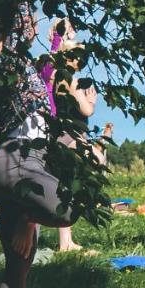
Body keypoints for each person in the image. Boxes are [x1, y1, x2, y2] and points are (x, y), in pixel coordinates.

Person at [0, 0, 76, 288]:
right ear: (14, 26)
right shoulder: (8, 62)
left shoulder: (20, 70)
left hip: (14, 167)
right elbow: (19, 31)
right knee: (68, 209)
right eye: (29, 19)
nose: (33, 23)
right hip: (20, 162)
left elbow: (48, 73)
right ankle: (26, 212)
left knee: (19, 262)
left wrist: (56, 40)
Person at [50, 31, 111, 251]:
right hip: (71, 137)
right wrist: (91, 102)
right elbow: (85, 109)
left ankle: (65, 241)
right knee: (96, 160)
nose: (79, 62)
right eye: (76, 57)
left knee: (65, 187)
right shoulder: (71, 81)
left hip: (58, 136)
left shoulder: (54, 77)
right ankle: (92, 200)